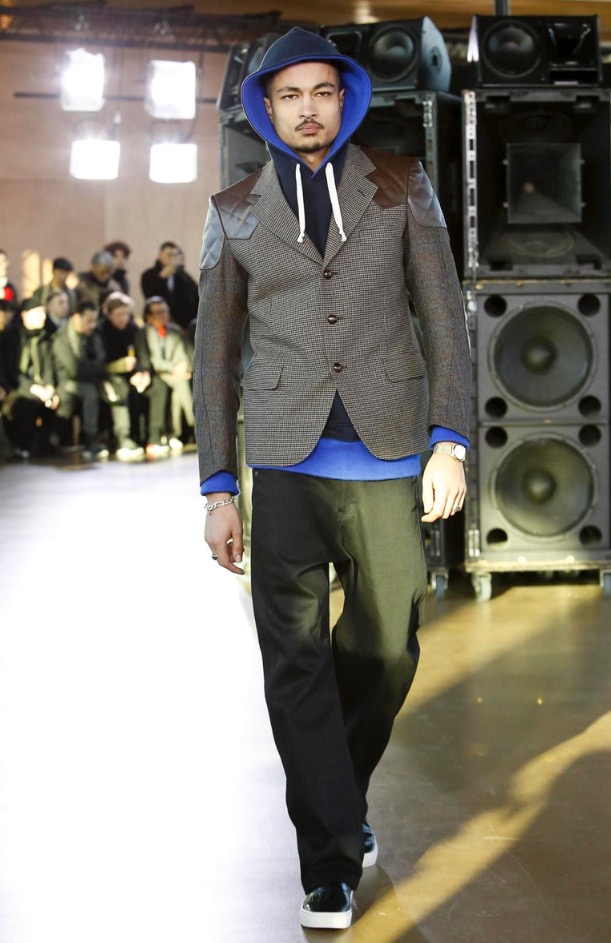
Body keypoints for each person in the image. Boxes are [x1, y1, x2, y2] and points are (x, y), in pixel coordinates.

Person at [192, 29, 471, 930]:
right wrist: (217, 488)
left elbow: (444, 316)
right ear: (265, 109)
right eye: (289, 95)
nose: (307, 107)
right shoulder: (232, 210)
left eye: (321, 91)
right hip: (281, 461)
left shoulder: (399, 183)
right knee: (294, 662)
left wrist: (450, 442)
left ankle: (335, 798)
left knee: (389, 646)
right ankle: (328, 863)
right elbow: (213, 356)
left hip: (387, 453)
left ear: (343, 100)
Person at [98, 291, 168, 460]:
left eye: (126, 314)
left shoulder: (133, 329)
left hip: (133, 375)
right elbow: (100, 363)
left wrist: (143, 372)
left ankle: (154, 436)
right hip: (111, 377)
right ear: (109, 314)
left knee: (158, 386)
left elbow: (142, 354)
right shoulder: (101, 331)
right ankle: (123, 438)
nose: (122, 318)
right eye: (118, 315)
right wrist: (119, 366)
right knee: (120, 389)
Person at [52, 299, 109, 460]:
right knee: (90, 392)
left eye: (94, 320)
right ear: (76, 317)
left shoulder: (94, 335)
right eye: (88, 320)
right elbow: (73, 370)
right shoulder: (62, 338)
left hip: (89, 379)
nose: (92, 325)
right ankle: (90, 438)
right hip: (65, 382)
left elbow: (102, 360)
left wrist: (92, 368)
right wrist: (93, 369)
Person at [0, 302, 59, 458]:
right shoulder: (12, 337)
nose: (43, 317)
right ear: (25, 315)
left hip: (39, 386)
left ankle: (43, 443)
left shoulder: (44, 337)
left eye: (44, 313)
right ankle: (23, 445)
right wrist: (33, 388)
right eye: (38, 313)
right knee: (24, 404)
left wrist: (49, 386)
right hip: (18, 386)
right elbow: (12, 371)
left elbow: (48, 367)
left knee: (59, 400)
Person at [143, 295, 194, 454]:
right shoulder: (146, 332)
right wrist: (174, 369)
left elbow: (182, 354)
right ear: (149, 316)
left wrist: (184, 368)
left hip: (175, 373)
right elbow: (155, 361)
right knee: (180, 384)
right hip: (158, 373)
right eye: (158, 312)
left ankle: (174, 433)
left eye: (165, 311)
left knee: (178, 393)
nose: (163, 315)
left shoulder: (174, 330)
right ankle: (193, 423)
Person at [140, 242, 198, 330]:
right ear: (160, 255)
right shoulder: (148, 275)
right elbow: (150, 296)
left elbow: (196, 294)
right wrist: (162, 278)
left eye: (175, 255)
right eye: (169, 255)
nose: (172, 258)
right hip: (157, 323)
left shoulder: (183, 275)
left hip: (183, 324)